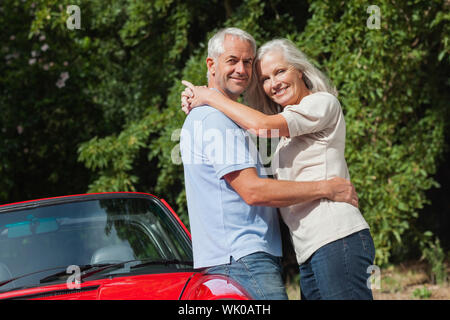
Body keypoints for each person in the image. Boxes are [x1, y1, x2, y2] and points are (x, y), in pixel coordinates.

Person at [181, 38, 375, 300]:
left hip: (335, 236)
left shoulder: (322, 103)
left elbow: (260, 125)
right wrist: (201, 98)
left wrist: (210, 96)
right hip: (308, 250)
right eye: (265, 79)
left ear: (300, 70)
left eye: (280, 71)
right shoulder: (285, 134)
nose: (274, 83)